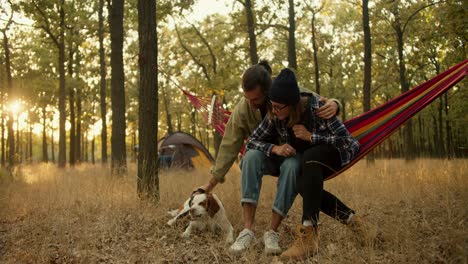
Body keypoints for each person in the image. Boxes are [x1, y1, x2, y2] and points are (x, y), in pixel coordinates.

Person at [195, 61, 342, 254]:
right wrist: (210, 185)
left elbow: (313, 99)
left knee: (291, 166)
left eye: (255, 99)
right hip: (267, 153)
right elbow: (229, 146)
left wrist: (335, 104)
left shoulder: (284, 90)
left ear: (268, 91)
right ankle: (247, 230)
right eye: (247, 98)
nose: (251, 103)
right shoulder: (243, 110)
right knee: (250, 157)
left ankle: (272, 232)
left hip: (293, 156)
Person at [246, 68, 376, 260]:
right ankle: (354, 221)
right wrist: (275, 149)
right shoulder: (275, 113)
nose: (274, 110)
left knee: (309, 157)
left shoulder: (318, 108)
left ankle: (308, 234)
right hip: (310, 166)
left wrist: (311, 137)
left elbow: (350, 143)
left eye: (278, 107)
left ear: (292, 104)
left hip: (335, 155)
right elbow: (252, 141)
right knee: (302, 183)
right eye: (272, 106)